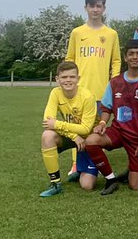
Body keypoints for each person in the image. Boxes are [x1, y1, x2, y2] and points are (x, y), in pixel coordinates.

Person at [80, 43, 138, 194]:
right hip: (118, 131)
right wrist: (102, 123)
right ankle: (111, 179)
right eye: (131, 53)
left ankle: (135, 168)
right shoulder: (115, 82)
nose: (135, 57)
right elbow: (106, 108)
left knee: (135, 186)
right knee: (91, 141)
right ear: (125, 57)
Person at [64, 0, 121, 181]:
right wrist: (69, 84)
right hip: (78, 92)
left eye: (99, 6)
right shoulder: (77, 33)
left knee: (93, 132)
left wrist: (114, 85)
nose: (95, 9)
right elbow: (69, 60)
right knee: (78, 130)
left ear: (104, 8)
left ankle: (92, 168)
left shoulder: (111, 34)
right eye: (92, 6)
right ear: (86, 7)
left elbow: (116, 62)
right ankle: (78, 167)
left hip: (100, 92)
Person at [38, 61, 98, 197]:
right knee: (47, 135)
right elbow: (48, 122)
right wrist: (74, 136)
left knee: (87, 186)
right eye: (64, 77)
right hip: (75, 138)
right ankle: (55, 183)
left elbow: (86, 128)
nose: (68, 80)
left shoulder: (87, 96)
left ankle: (85, 168)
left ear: (78, 78)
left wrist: (59, 125)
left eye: (72, 77)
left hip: (89, 140)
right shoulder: (55, 93)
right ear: (57, 79)